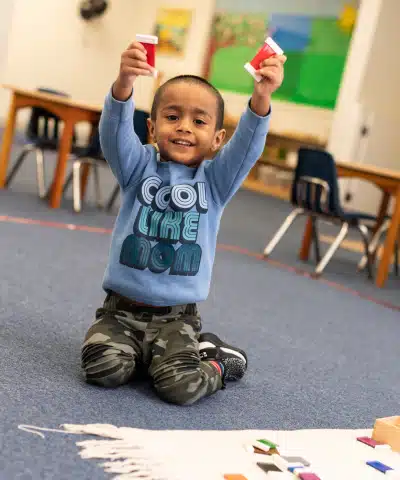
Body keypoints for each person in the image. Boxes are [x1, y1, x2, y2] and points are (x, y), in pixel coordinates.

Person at [81, 39, 286, 405]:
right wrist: (125, 83)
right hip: (120, 313)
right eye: (172, 117)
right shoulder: (137, 167)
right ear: (152, 129)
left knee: (180, 389)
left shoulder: (217, 181)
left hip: (177, 320)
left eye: (199, 121)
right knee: (104, 370)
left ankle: (218, 360)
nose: (184, 128)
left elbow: (248, 146)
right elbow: (112, 135)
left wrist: (261, 98)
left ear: (217, 138)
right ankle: (146, 357)